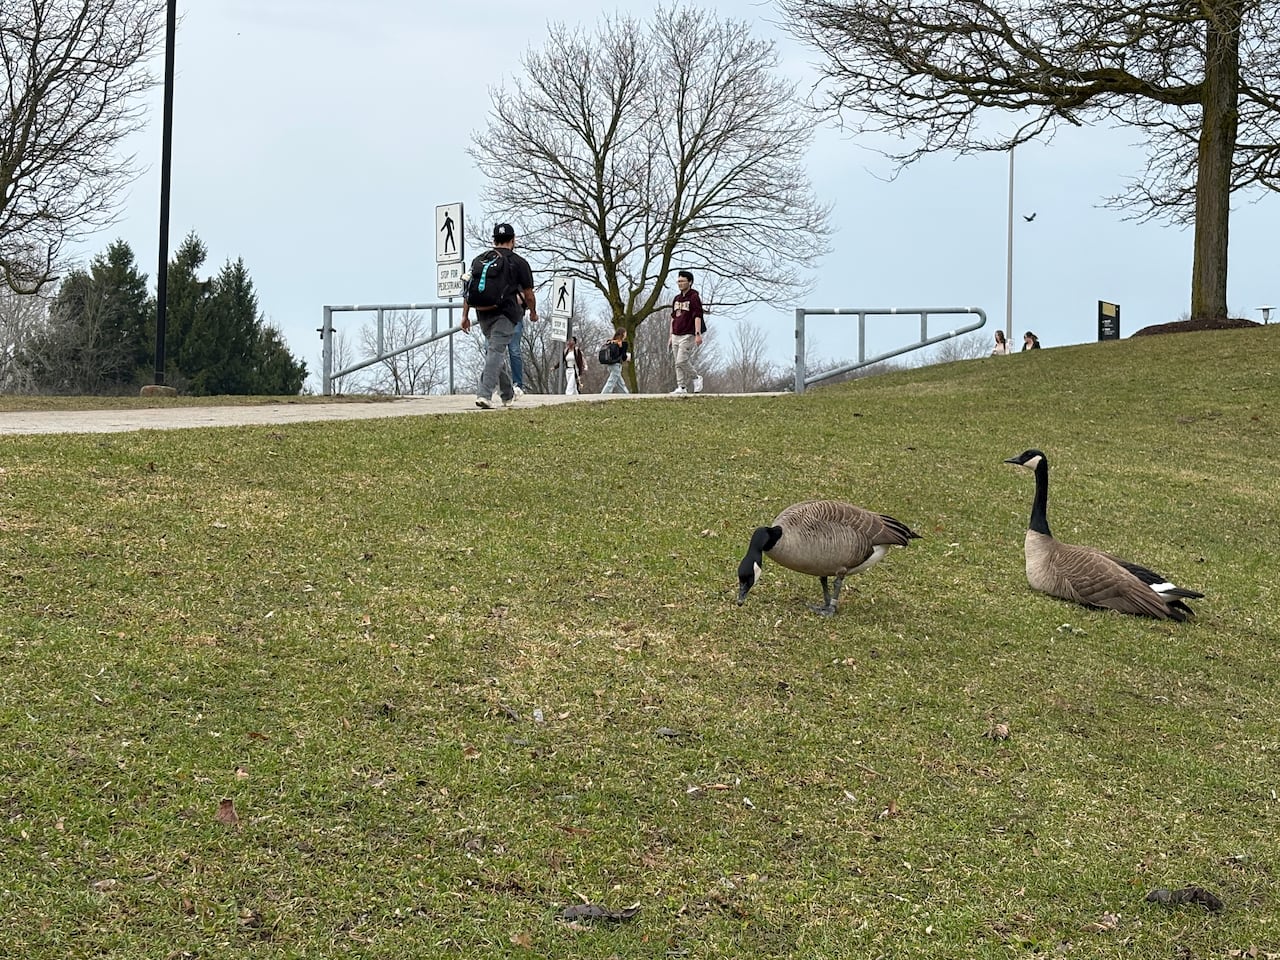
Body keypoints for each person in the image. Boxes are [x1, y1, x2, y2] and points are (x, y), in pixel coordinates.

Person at [460, 223, 537, 409]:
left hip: (482, 312)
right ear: (513, 240)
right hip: (506, 313)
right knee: (495, 352)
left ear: (494, 240)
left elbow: (468, 291)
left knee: (494, 351)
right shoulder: (519, 262)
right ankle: (484, 394)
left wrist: (465, 316)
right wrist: (533, 312)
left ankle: (507, 394)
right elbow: (529, 294)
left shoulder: (480, 259)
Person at [668, 269, 704, 395]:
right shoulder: (676, 298)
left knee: (681, 360)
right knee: (677, 363)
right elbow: (673, 317)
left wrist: (698, 334)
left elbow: (698, 316)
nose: (680, 283)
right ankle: (681, 387)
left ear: (690, 282)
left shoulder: (694, 297)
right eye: (678, 281)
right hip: (676, 333)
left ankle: (696, 377)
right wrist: (670, 335)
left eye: (683, 281)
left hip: (688, 333)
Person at [599, 328, 630, 394]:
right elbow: (623, 357)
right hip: (617, 365)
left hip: (610, 364)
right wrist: (626, 356)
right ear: (623, 334)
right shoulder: (623, 343)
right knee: (611, 382)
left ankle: (626, 394)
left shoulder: (610, 342)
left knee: (620, 383)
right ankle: (604, 395)